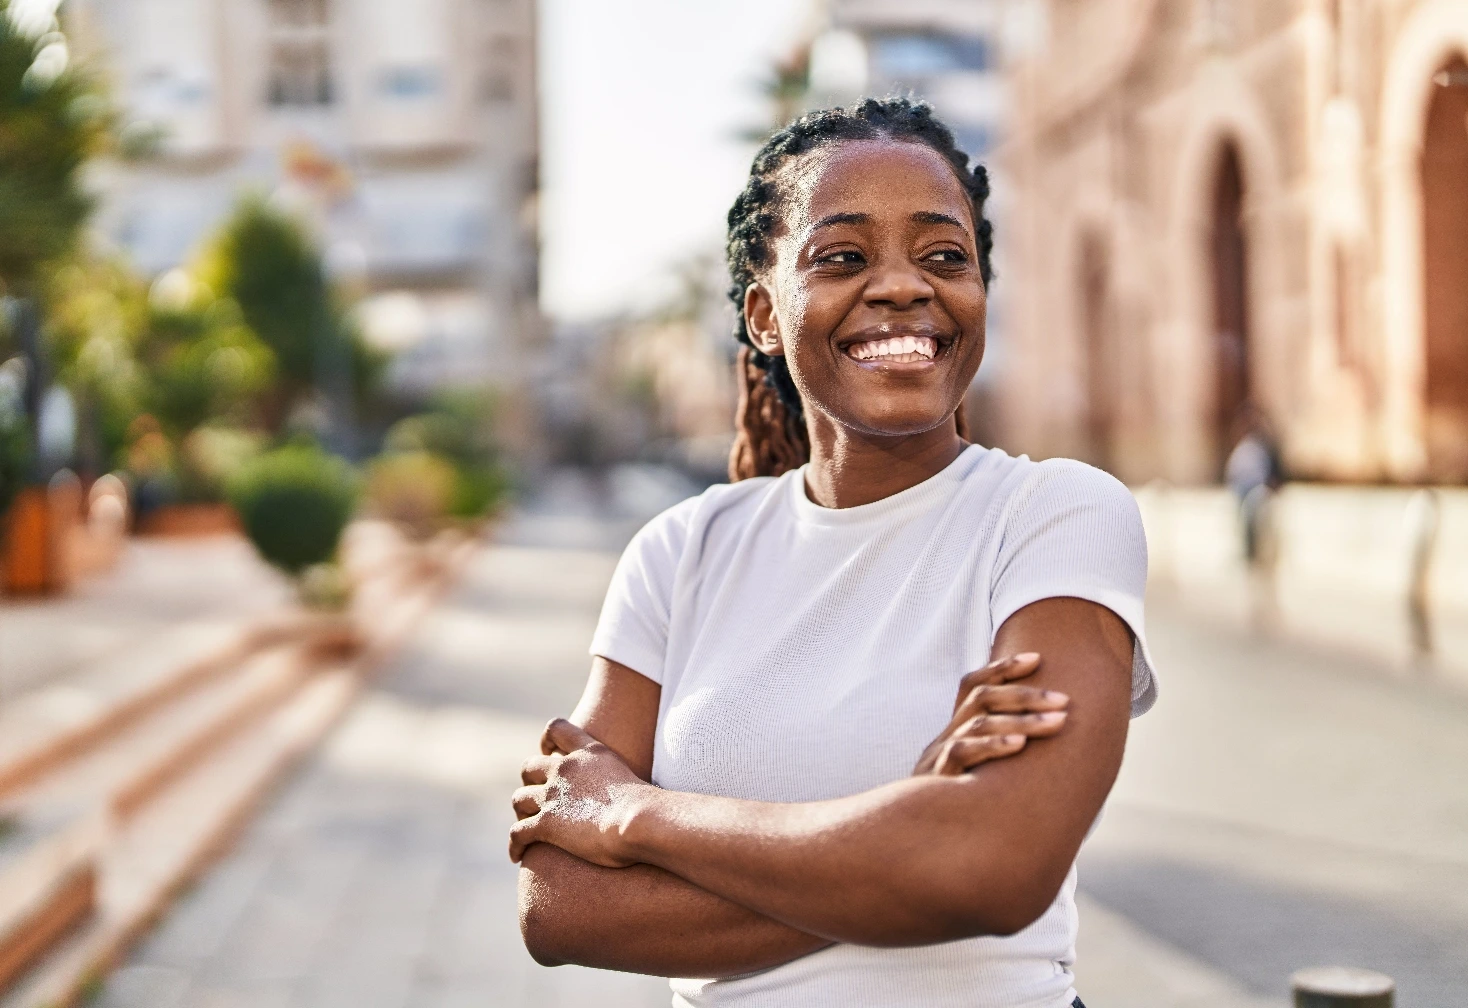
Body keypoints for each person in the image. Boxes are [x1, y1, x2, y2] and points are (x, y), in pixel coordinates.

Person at [510, 98, 1158, 1008]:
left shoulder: (1053, 516)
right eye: (844, 257)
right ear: (765, 314)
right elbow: (562, 909)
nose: (903, 287)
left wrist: (636, 813)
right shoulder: (680, 553)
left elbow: (995, 872)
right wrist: (911, 825)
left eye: (944, 257)